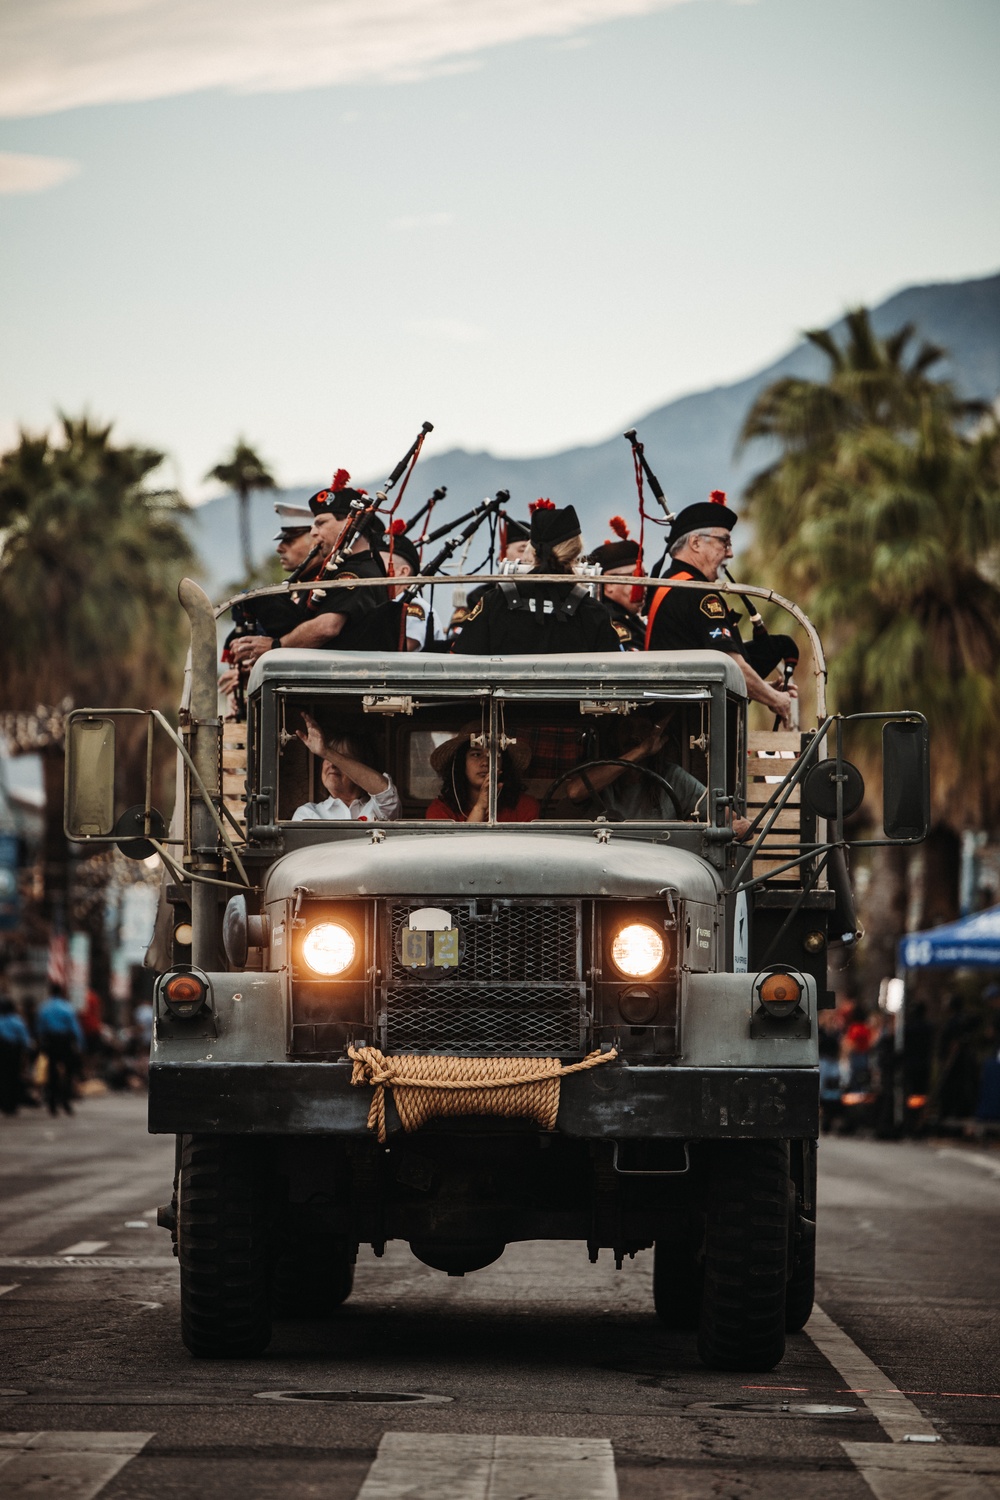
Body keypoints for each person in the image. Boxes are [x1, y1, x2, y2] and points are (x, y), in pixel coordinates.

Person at [644, 491, 797, 727]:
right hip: (691, 732)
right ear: (695, 543)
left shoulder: (670, 583)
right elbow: (730, 665)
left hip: (672, 722)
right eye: (723, 542)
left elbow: (699, 665)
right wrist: (777, 699)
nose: (730, 552)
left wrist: (763, 688)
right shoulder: (697, 591)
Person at [229, 470, 388, 669]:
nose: (314, 532)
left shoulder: (356, 574)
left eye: (321, 524)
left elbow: (327, 627)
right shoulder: (341, 572)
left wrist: (276, 646)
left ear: (351, 522)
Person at [452, 501, 622, 656]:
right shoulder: (593, 612)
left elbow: (462, 658)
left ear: (532, 551)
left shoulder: (494, 602)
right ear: (576, 551)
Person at [560, 714, 750, 834]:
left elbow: (738, 823)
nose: (633, 735)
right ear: (613, 736)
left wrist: (693, 832)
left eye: (642, 728)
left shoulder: (673, 777)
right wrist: (641, 751)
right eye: (626, 728)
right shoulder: (598, 774)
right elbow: (575, 791)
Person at [292, 713, 401, 822]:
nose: (332, 764)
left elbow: (384, 791)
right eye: (326, 758)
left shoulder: (378, 808)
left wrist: (326, 752)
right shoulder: (308, 813)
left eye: (342, 759)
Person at [426, 725, 539, 823]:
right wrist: (480, 808)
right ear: (461, 763)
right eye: (476, 754)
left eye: (494, 755)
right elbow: (455, 848)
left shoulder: (524, 806)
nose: (486, 763)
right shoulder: (441, 809)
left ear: (504, 763)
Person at [588, 516, 646, 651]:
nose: (644, 586)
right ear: (609, 584)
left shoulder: (630, 619)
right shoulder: (612, 622)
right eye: (635, 576)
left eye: (644, 576)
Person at [35, 984, 83, 1116]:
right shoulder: (67, 1007)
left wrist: (41, 1043)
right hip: (65, 1042)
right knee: (68, 1072)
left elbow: (40, 1028)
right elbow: (75, 1028)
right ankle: (65, 1102)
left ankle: (52, 1104)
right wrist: (79, 1044)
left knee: (52, 1073)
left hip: (50, 1042)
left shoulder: (44, 1008)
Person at [0, 996, 33, 1115]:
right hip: (13, 1052)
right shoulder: (17, 1021)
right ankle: (12, 1105)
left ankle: (4, 1104)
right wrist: (28, 1051)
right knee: (14, 1077)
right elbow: (25, 1039)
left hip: (2, 1053)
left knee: (3, 1078)